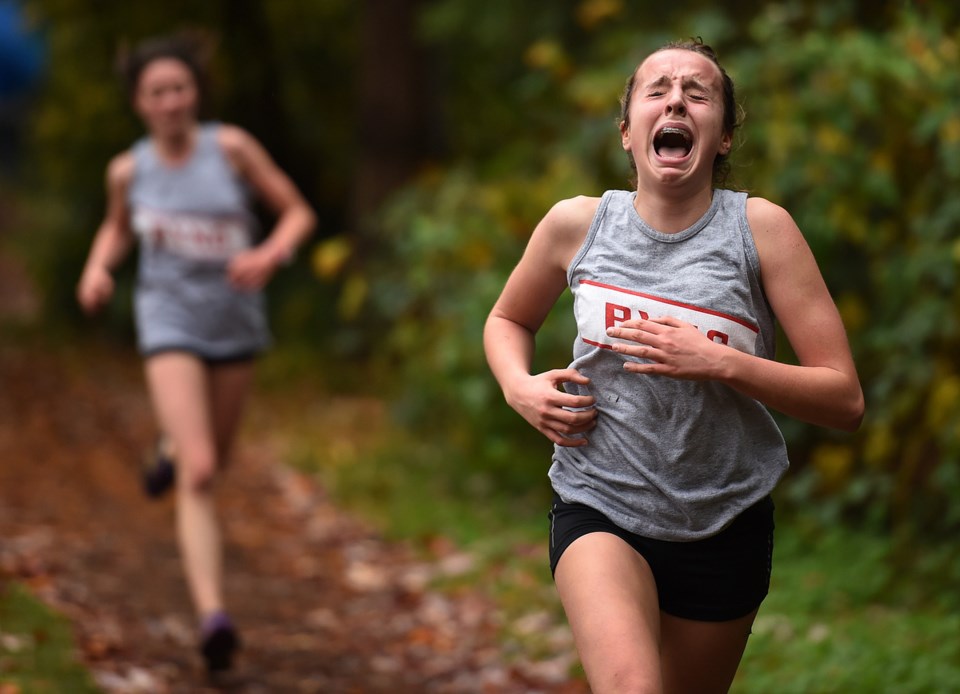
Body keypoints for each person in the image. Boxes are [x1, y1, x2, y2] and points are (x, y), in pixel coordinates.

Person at [483, 38, 863, 693]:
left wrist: (721, 362)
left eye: (698, 91)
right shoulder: (577, 225)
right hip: (597, 501)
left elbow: (843, 399)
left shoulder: (761, 232)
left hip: (725, 521)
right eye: (657, 89)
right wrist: (520, 387)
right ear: (629, 132)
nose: (677, 99)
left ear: (720, 138)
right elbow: (506, 321)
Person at [76, 33, 316, 674]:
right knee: (204, 471)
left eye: (179, 87)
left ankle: (170, 445)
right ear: (139, 103)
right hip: (168, 318)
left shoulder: (231, 148)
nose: (171, 100)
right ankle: (213, 616)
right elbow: (116, 226)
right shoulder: (128, 170)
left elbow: (296, 213)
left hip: (235, 322)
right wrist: (99, 268)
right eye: (157, 91)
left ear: (195, 93)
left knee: (213, 454)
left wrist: (268, 254)